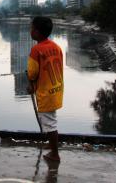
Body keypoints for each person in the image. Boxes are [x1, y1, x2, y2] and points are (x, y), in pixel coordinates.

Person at [26, 16, 64, 162]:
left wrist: (31, 86)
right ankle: (52, 145)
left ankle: (55, 153)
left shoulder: (36, 50)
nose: (30, 31)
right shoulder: (56, 47)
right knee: (50, 120)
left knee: (49, 124)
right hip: (57, 89)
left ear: (37, 32)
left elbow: (32, 73)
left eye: (31, 28)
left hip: (45, 93)